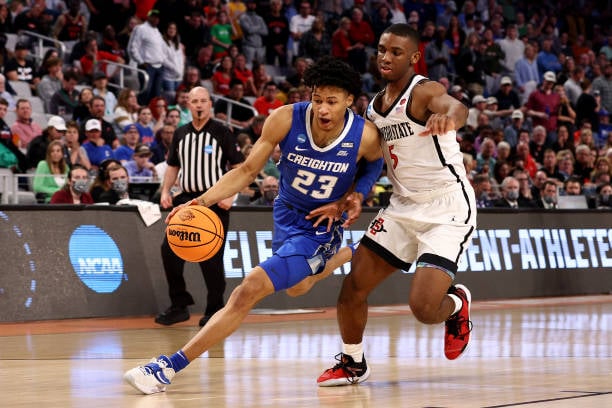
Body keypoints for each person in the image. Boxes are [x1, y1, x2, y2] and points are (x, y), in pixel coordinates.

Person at [124, 57, 383, 394]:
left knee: (248, 289)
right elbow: (246, 171)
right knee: (297, 288)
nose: (322, 109)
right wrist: (201, 200)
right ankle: (349, 252)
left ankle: (167, 368)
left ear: (350, 101)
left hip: (319, 226)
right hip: (286, 212)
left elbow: (375, 165)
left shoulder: (364, 134)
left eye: (332, 102)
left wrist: (356, 196)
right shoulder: (286, 118)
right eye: (317, 99)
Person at [316, 24, 475, 387]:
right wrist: (351, 194)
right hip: (401, 207)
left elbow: (456, 105)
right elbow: (369, 160)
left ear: (414, 57)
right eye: (382, 49)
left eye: (396, 52)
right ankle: (353, 362)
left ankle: (458, 303)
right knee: (353, 287)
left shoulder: (424, 91)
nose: (386, 57)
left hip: (446, 207)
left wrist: (448, 116)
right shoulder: (372, 109)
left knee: (423, 309)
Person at [152, 86, 245, 329]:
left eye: (203, 100)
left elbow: (239, 168)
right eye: (194, 101)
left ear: (210, 104)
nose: (199, 105)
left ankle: (215, 309)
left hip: (214, 201)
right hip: (186, 201)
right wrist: (165, 191)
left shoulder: (222, 131)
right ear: (188, 105)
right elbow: (172, 166)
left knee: (211, 258)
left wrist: (231, 195)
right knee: (169, 250)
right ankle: (179, 305)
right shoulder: (180, 133)